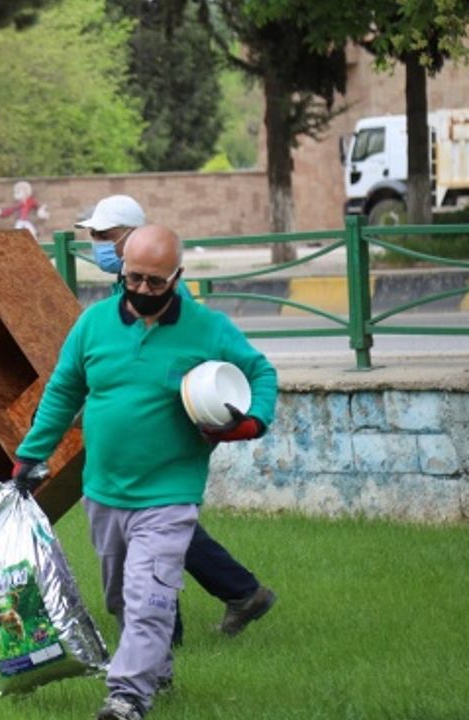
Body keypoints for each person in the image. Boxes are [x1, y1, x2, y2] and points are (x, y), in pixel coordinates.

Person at [14, 224, 278, 720]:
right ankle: (156, 667)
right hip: (104, 491)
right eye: (133, 278)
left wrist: (251, 421)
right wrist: (30, 455)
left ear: (177, 276)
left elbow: (261, 372)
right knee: (120, 595)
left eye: (156, 282)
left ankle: (128, 697)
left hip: (169, 493)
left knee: (149, 594)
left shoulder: (208, 329)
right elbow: (63, 391)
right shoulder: (93, 325)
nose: (142, 290)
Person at [77, 195, 277, 644]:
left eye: (104, 237)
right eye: (92, 237)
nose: (96, 246)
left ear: (131, 236)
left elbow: (213, 364)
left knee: (161, 534)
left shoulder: (166, 297)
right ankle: (237, 595)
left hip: (168, 443)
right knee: (161, 535)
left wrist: (249, 421)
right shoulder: (119, 295)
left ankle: (182, 627)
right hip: (135, 455)